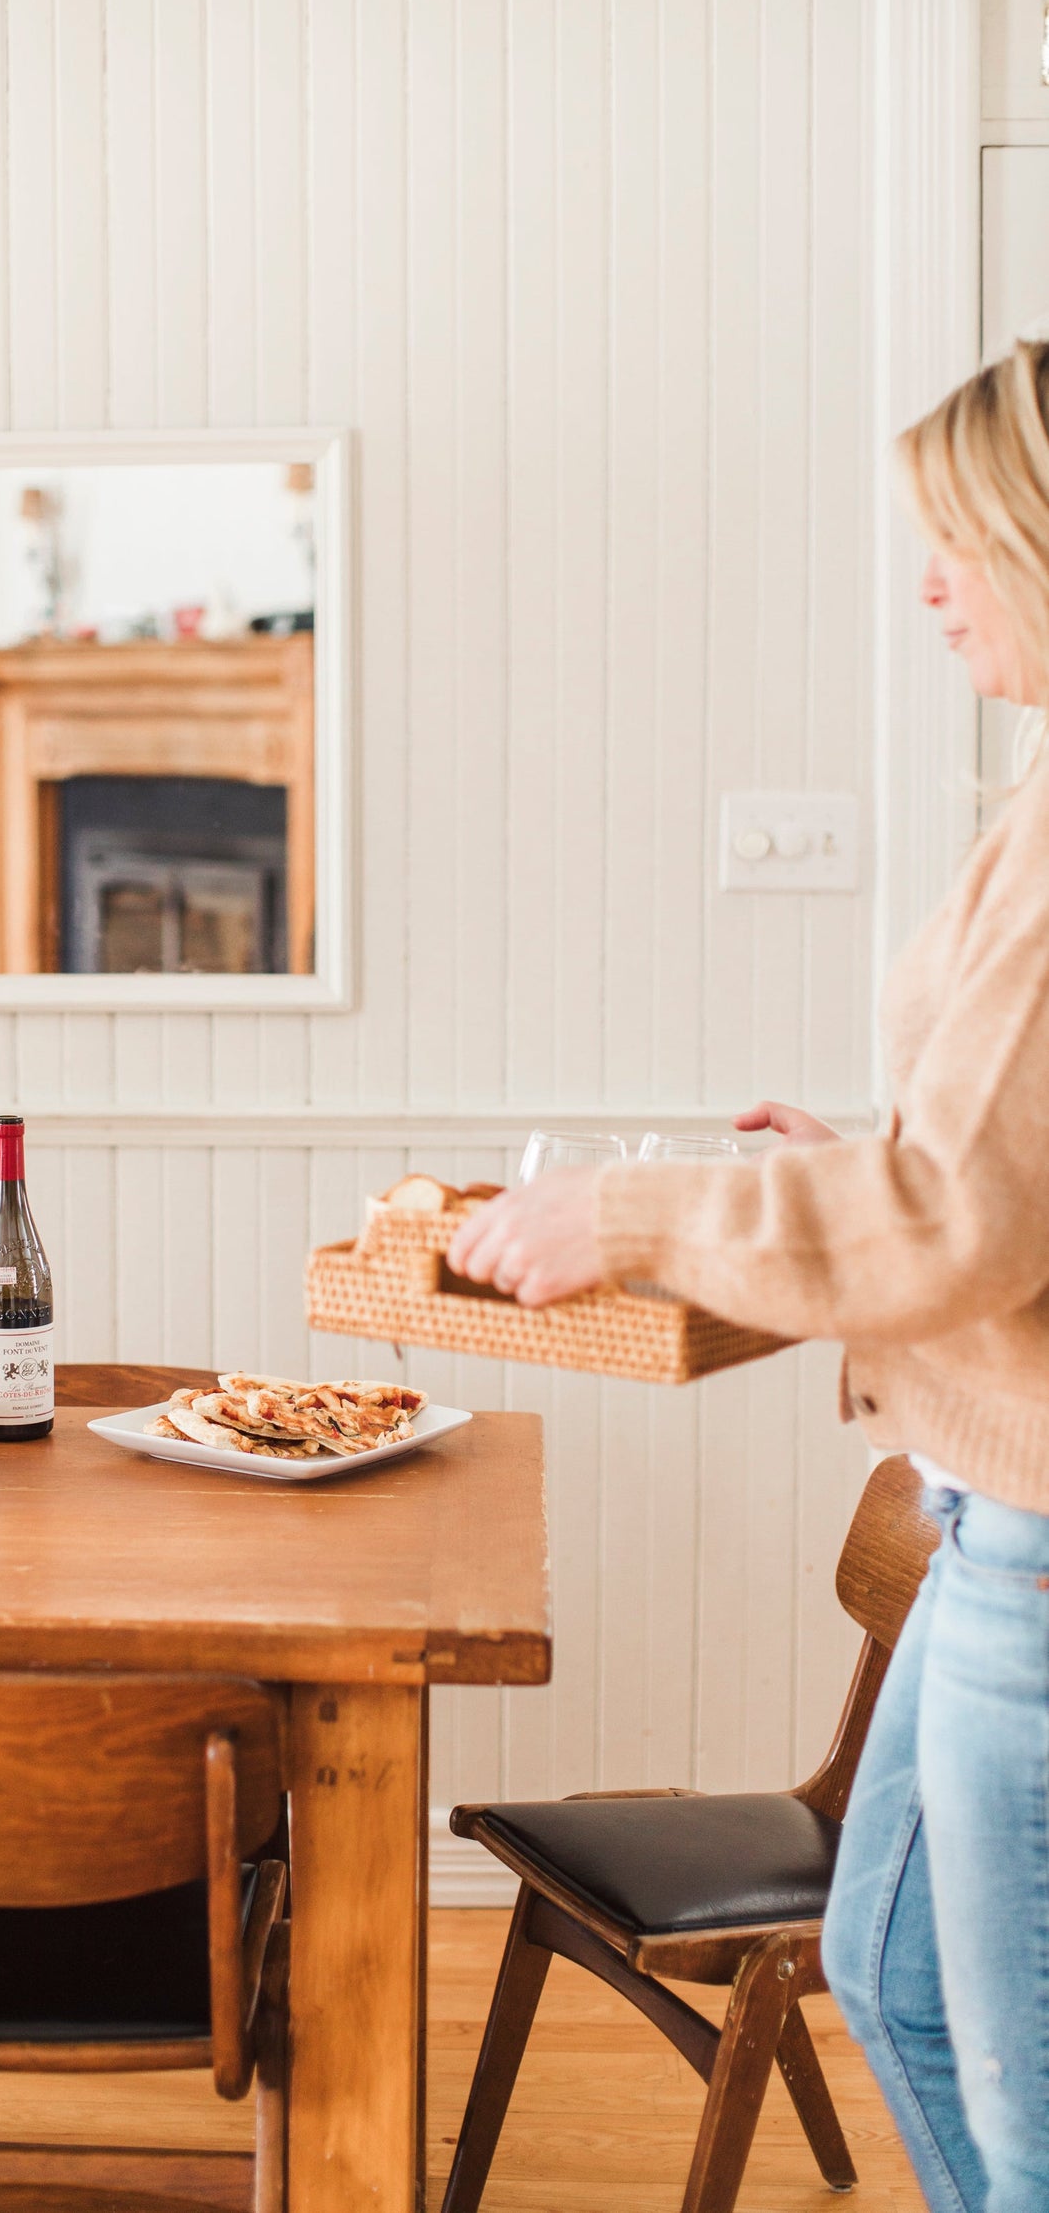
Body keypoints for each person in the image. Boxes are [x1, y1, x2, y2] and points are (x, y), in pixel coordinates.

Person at [449, 340, 1049, 2213]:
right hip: (987, 1522)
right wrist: (842, 1159)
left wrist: (632, 1213)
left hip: (1035, 1536)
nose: (930, 584)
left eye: (954, 540)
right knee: (883, 1973)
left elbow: (959, 1217)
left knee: (1028, 2102)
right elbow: (986, 1163)